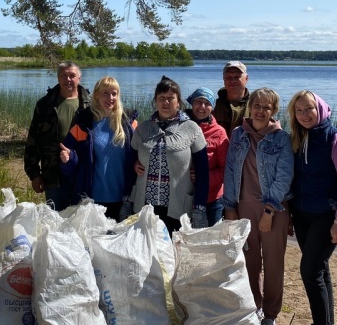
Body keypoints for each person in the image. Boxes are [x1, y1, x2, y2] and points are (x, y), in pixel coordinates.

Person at [287, 90, 337, 325]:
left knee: (309, 270)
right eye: (299, 110)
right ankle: (323, 324)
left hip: (326, 216)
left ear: (321, 109)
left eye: (309, 109)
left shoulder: (335, 138)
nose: (305, 114)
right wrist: (290, 215)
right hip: (302, 214)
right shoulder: (298, 136)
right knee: (320, 268)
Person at [222, 88, 294, 325]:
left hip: (273, 210)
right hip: (243, 208)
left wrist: (269, 210)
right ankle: (255, 307)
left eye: (267, 107)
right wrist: (230, 207)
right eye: (257, 105)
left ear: (274, 111)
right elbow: (230, 171)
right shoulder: (238, 135)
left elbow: (284, 177)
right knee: (249, 262)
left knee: (274, 264)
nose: (260, 111)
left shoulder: (281, 138)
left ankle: (270, 316)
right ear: (249, 107)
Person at [126, 75, 209, 233]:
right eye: (161, 98)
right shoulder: (142, 129)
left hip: (178, 208)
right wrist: (126, 199)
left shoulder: (192, 129)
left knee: (174, 252)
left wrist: (199, 208)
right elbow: (129, 165)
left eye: (171, 98)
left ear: (179, 102)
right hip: (145, 205)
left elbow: (203, 173)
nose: (165, 102)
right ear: (155, 101)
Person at [58, 76, 138, 221]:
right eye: (105, 93)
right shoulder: (84, 122)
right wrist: (68, 158)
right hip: (92, 198)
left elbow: (140, 154)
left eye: (114, 93)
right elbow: (70, 161)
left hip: (125, 197)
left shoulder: (129, 122)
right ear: (96, 95)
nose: (110, 98)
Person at [24, 61, 90, 212]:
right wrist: (34, 174)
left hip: (83, 174)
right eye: (63, 76)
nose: (68, 79)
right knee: (55, 220)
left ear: (79, 78)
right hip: (53, 174)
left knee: (81, 220)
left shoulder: (91, 104)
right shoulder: (44, 105)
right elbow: (33, 141)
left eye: (72, 75)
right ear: (58, 78)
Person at [185, 87, 229, 226]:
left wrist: (203, 177)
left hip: (211, 200)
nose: (202, 107)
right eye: (198, 101)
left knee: (209, 242)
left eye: (207, 103)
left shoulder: (219, 133)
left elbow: (226, 170)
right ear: (192, 103)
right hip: (182, 198)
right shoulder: (179, 126)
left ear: (212, 107)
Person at [213, 60, 251, 137]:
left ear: (246, 79)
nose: (233, 81)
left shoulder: (255, 106)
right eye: (228, 77)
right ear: (223, 79)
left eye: (237, 77)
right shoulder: (212, 106)